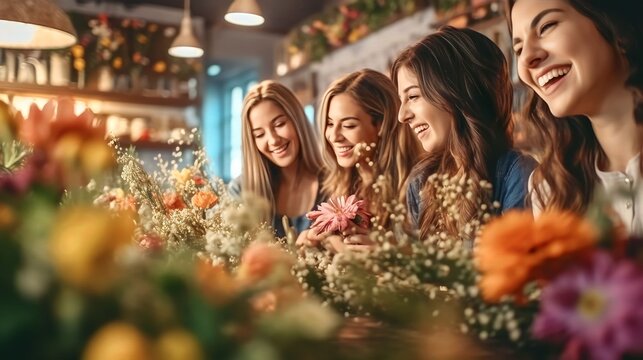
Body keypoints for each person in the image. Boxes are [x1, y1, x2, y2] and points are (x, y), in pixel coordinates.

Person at [507, 0, 643, 234]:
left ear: (611, 21)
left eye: (547, 26)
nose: (528, 57)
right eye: (518, 49)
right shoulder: (550, 190)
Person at [391, 26, 537, 241]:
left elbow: (515, 268)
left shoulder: (516, 174)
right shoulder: (419, 182)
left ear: (456, 93)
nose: (402, 116)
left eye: (412, 97)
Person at [300, 69, 421, 251]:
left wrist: (393, 253)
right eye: (330, 123)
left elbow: (440, 262)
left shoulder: (417, 184)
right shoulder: (338, 187)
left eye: (348, 125)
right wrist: (313, 242)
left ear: (382, 124)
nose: (333, 136)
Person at [228, 80, 323, 238]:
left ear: (297, 120)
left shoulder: (336, 183)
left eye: (279, 124)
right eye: (259, 134)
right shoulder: (240, 191)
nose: (273, 140)